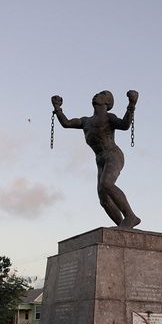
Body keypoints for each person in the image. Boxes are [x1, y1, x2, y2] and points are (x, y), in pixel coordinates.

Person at [51, 90, 141, 228]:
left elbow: (124, 125)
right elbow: (66, 123)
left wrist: (132, 104)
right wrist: (57, 108)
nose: (97, 95)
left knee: (106, 184)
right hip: (99, 159)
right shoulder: (85, 121)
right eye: (98, 93)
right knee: (103, 199)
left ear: (108, 102)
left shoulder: (109, 117)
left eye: (103, 94)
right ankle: (123, 227)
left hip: (113, 155)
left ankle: (130, 216)